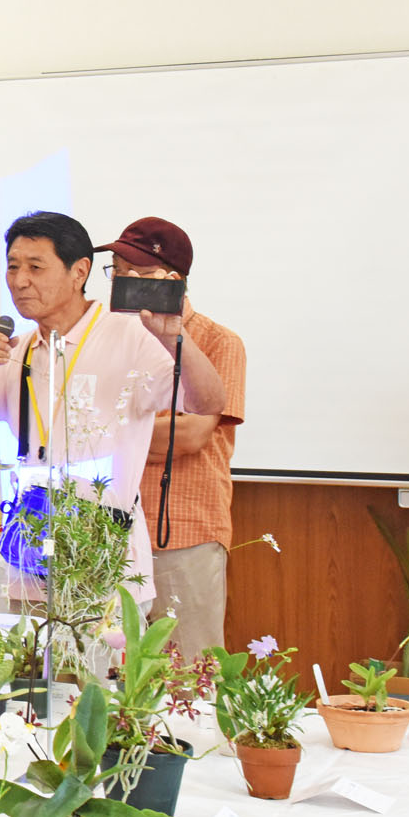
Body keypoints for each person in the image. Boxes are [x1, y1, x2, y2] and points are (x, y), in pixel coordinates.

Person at [0, 212, 225, 606]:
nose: (19, 280)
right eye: (13, 267)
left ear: (79, 271)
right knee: (25, 669)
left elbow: (207, 403)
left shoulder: (129, 334)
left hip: (105, 563)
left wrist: (176, 339)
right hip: (29, 560)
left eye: (35, 267)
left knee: (100, 668)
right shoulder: (16, 350)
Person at [94, 218, 246, 658]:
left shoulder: (220, 343)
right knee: (103, 672)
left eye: (137, 273)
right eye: (118, 269)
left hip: (184, 531)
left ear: (173, 280)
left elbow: (193, 434)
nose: (122, 280)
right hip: (109, 534)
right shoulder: (106, 341)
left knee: (188, 674)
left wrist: (106, 434)